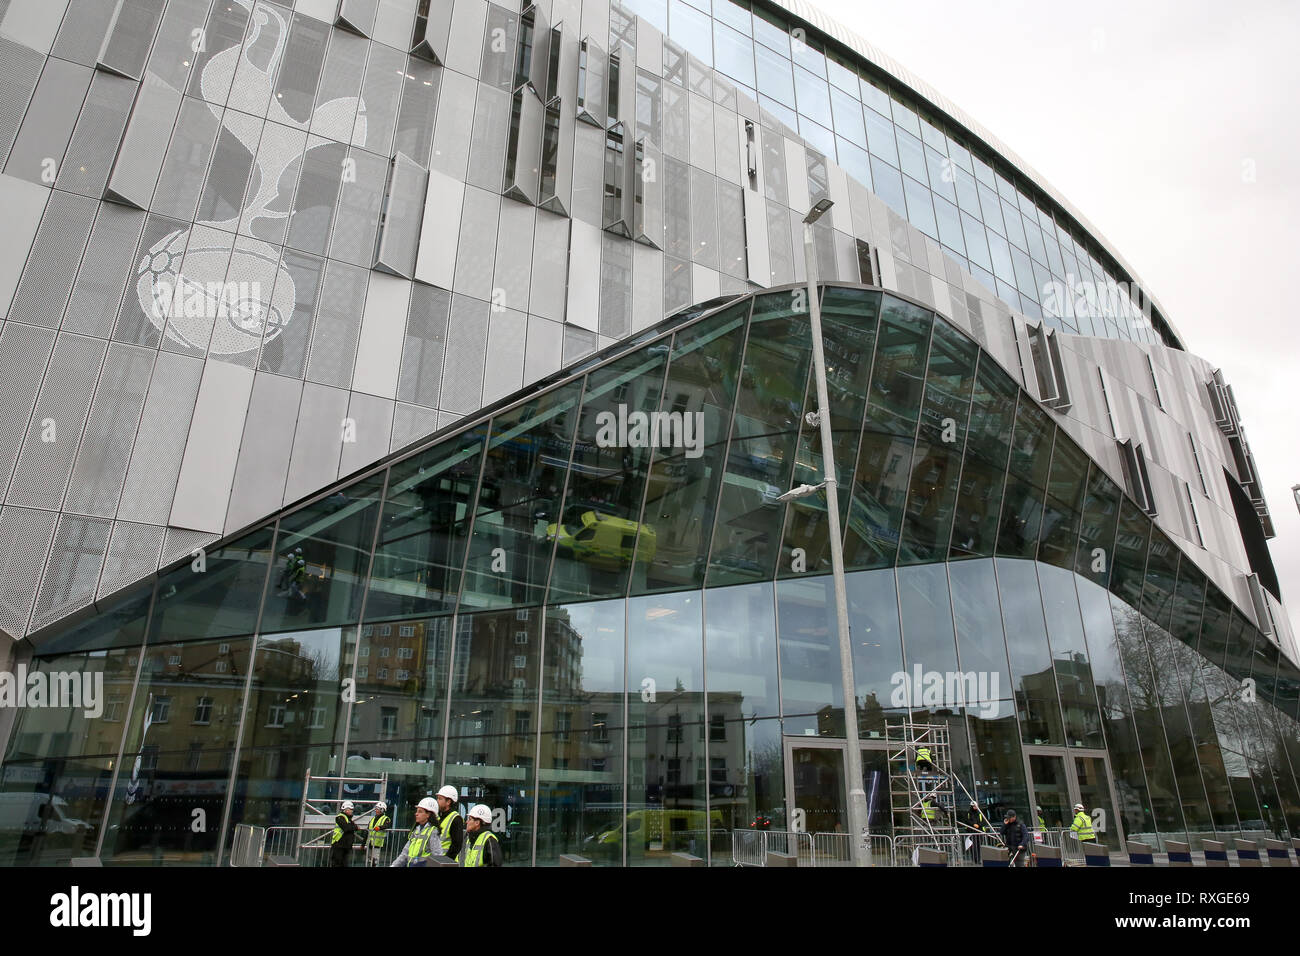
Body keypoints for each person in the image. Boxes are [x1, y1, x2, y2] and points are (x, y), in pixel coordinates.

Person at [390, 797, 445, 867]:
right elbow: (405, 853)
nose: (416, 814)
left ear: (428, 814)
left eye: (420, 811)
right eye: (417, 811)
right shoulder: (416, 831)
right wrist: (393, 865)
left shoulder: (433, 831)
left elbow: (437, 855)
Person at [435, 785, 465, 862]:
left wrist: (445, 862)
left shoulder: (456, 819)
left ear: (448, 802)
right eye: (437, 798)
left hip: (447, 862)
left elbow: (456, 845)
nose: (437, 801)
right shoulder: (438, 817)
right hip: (435, 861)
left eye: (440, 799)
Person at [329, 800, 359, 867]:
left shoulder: (348, 819)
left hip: (345, 845)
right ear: (346, 809)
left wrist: (353, 827)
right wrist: (353, 827)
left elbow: (354, 827)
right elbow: (346, 828)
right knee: (337, 863)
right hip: (338, 844)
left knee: (344, 864)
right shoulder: (340, 817)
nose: (352, 811)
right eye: (350, 809)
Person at [365, 800, 390, 866]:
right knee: (368, 861)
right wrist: (363, 843)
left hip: (377, 843)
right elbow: (367, 830)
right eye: (376, 809)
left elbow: (386, 825)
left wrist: (380, 827)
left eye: (378, 809)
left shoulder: (385, 818)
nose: (376, 810)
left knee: (375, 862)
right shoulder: (373, 819)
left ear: (382, 810)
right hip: (370, 843)